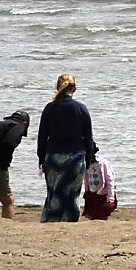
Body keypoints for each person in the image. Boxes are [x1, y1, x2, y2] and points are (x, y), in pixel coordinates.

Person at [37, 73, 94, 222]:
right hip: (76, 157)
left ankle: (51, 219)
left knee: (53, 192)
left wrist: (41, 159)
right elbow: (88, 138)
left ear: (57, 87)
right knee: (72, 193)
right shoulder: (81, 108)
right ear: (74, 88)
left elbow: (42, 136)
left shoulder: (49, 108)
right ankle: (70, 220)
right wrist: (88, 160)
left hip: (53, 156)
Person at [82, 143, 117, 220]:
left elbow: (110, 180)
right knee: (92, 215)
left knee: (103, 215)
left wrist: (110, 197)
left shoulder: (103, 163)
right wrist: (87, 192)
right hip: (92, 193)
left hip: (103, 193)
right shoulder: (86, 164)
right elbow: (87, 180)